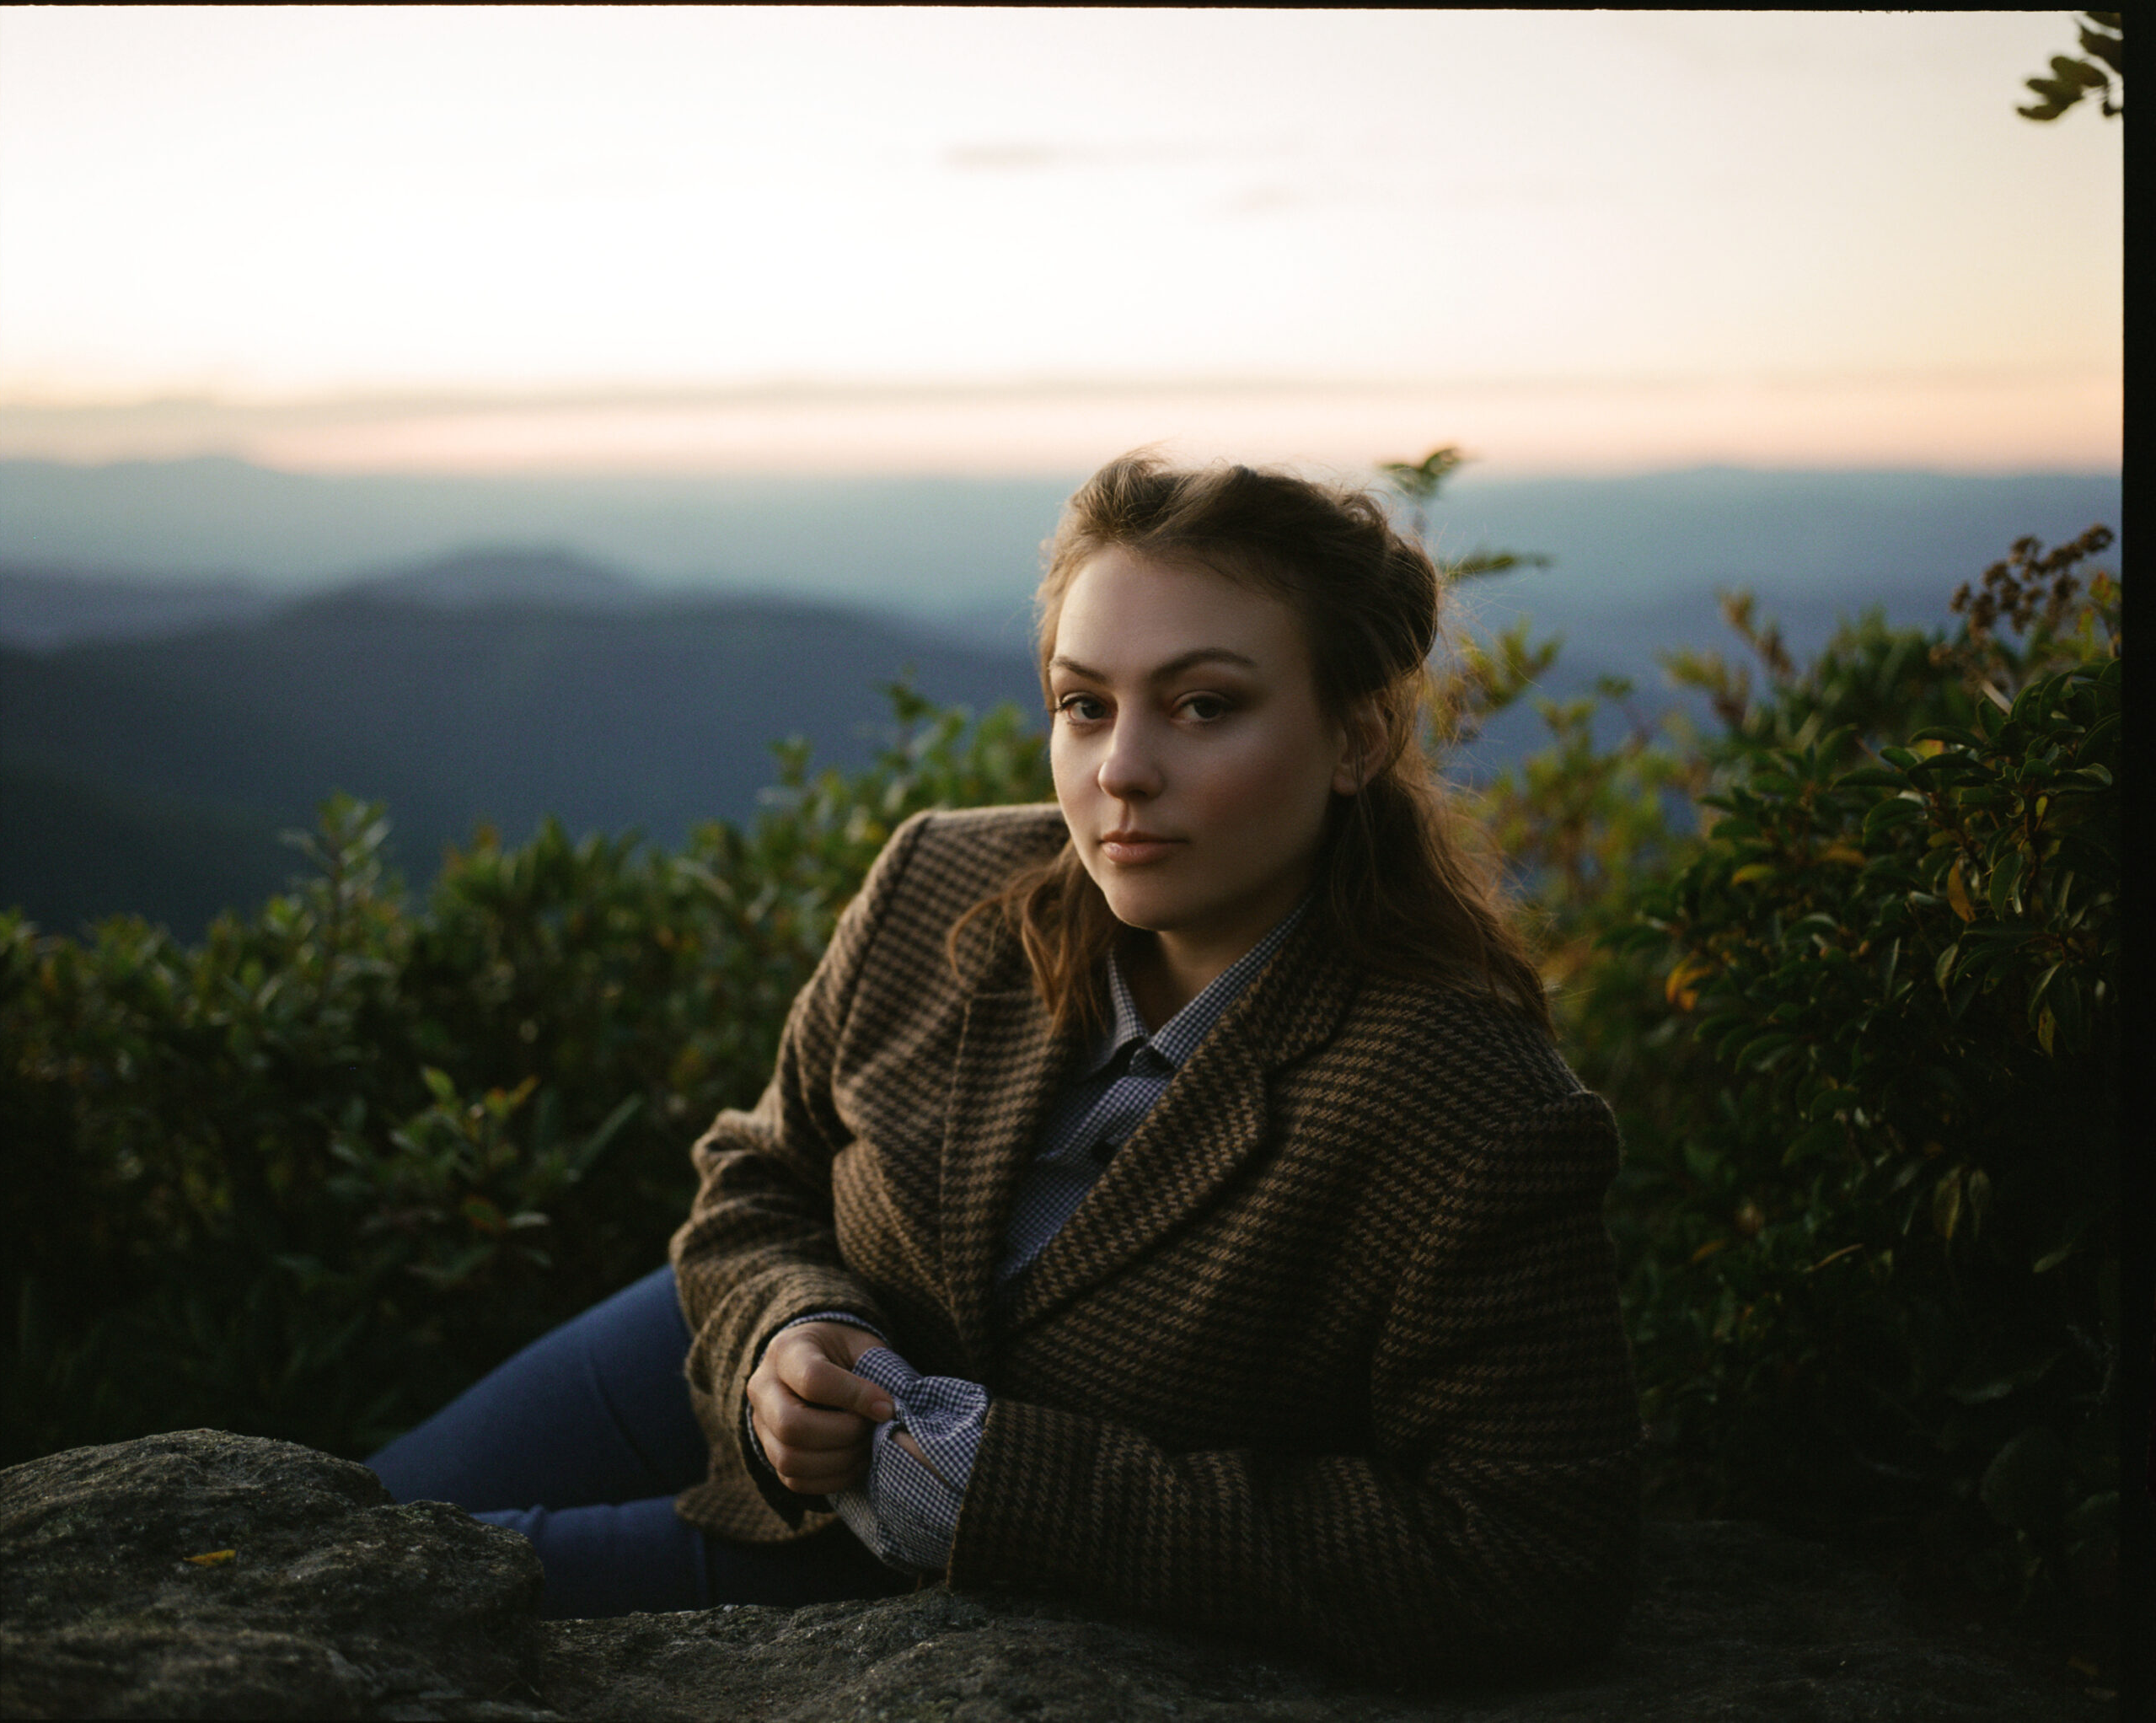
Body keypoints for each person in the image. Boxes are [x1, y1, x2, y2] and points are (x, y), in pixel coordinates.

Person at [370, 451, 1642, 1683]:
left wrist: (1020, 1493)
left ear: (1357, 737)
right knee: (354, 1517)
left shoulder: (1470, 1111)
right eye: (1084, 705)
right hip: (712, 1346)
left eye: (1204, 705)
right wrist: (786, 1327)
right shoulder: (943, 878)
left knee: (390, 1610)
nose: (1121, 770)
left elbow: (1527, 1562)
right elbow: (760, 1170)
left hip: (894, 1571)